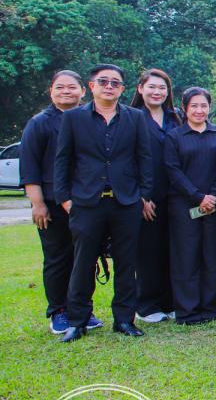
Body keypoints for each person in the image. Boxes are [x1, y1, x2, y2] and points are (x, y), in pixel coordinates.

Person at [54, 64, 154, 341]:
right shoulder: (73, 118)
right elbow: (63, 160)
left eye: (115, 83)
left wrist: (143, 195)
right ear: (92, 86)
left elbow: (144, 158)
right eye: (103, 82)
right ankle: (77, 321)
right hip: (86, 203)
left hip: (126, 202)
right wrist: (64, 199)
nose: (109, 86)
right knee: (83, 263)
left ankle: (124, 320)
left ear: (122, 88)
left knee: (126, 264)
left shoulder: (135, 117)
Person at [21, 70, 103, 334]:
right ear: (51, 92)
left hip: (86, 200)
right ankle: (59, 310)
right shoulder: (39, 123)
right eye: (60, 87)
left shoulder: (90, 120)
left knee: (86, 257)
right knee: (57, 257)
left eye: (71, 87)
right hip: (52, 203)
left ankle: (82, 309)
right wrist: (38, 203)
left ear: (83, 91)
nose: (66, 91)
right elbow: (30, 167)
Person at [164, 87, 216, 325]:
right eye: (194, 106)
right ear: (185, 108)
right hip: (183, 206)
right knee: (186, 257)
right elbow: (173, 171)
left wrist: (213, 195)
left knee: (212, 256)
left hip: (213, 205)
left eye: (204, 106)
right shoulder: (175, 136)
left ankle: (209, 308)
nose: (199, 110)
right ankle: (187, 310)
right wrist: (197, 196)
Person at [131, 68, 183, 323]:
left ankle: (170, 302)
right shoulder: (131, 117)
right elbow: (127, 159)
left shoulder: (176, 117)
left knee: (174, 250)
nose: (157, 92)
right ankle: (148, 305)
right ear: (140, 89)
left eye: (162, 88)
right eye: (151, 87)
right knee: (149, 251)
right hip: (147, 197)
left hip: (176, 195)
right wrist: (142, 196)